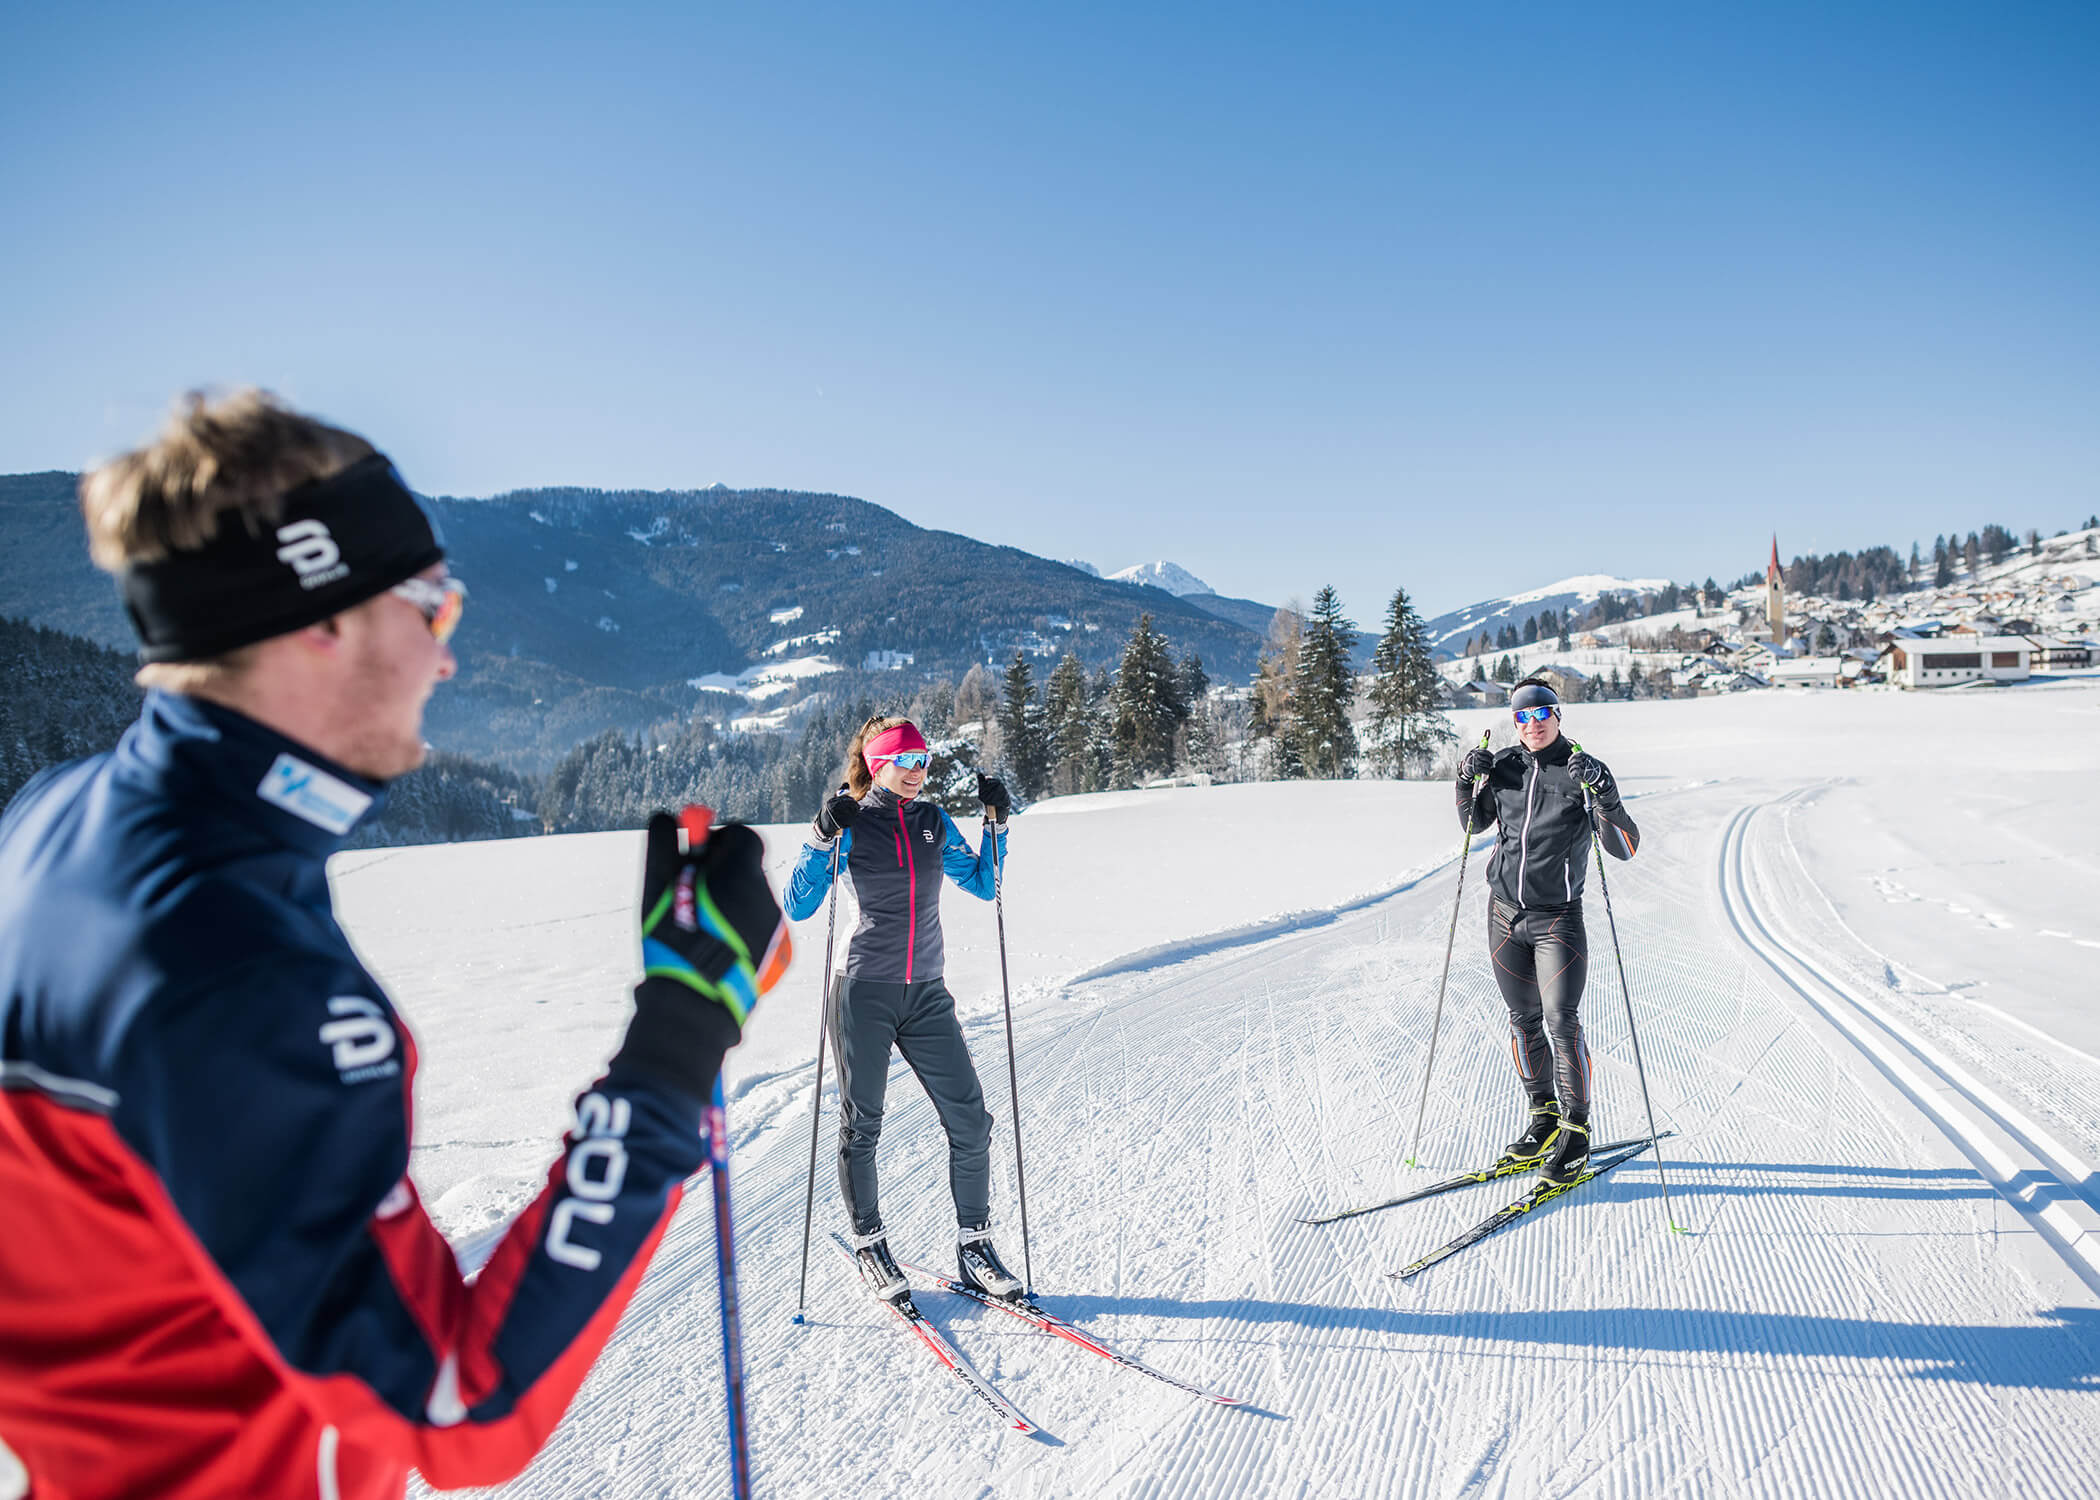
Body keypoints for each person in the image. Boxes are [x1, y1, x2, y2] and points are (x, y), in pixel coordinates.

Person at [0, 390, 791, 1499]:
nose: (447, 660)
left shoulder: (58, 820)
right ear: (316, 615)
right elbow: (459, 1403)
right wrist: (681, 1034)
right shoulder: (232, 960)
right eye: (434, 611)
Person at [784, 717, 1022, 1302]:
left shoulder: (932, 822)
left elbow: (985, 884)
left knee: (970, 1120)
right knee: (862, 1124)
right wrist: (819, 837)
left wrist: (996, 825)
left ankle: (976, 1245)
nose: (919, 772)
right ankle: (870, 1244)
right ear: (877, 763)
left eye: (925, 760)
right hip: (862, 992)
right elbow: (798, 903)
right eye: (907, 760)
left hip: (926, 994)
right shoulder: (849, 823)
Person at [1455, 678, 1639, 1186]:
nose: (1532, 724)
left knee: (1562, 1023)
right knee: (1523, 1020)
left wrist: (1605, 792)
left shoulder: (1579, 770)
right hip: (1503, 915)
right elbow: (1473, 824)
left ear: (1558, 716)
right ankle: (1543, 1120)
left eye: (1541, 714)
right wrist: (1464, 778)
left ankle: (1576, 1135)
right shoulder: (1507, 766)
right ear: (1513, 722)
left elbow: (1624, 845)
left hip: (1558, 918)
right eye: (1522, 716)